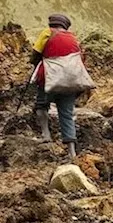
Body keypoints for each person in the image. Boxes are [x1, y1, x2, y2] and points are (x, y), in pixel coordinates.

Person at [31, 13, 89, 159]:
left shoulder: (47, 33)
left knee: (41, 106)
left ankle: (46, 135)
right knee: (66, 114)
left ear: (51, 24)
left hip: (49, 79)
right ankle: (72, 152)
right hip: (70, 82)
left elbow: (35, 54)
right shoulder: (73, 38)